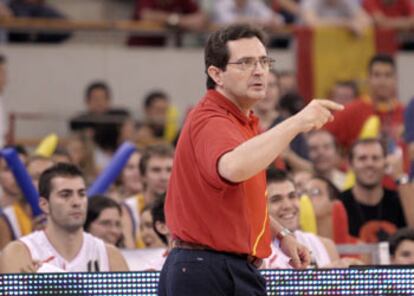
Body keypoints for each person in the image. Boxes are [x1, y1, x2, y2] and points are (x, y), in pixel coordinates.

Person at [159, 24, 342, 296]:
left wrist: (280, 234)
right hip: (207, 269)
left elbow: (240, 201)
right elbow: (232, 168)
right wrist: (298, 122)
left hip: (225, 267)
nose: (259, 71)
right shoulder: (212, 119)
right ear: (216, 74)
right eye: (245, 63)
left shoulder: (244, 121)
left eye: (263, 61)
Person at [0, 163, 128, 273]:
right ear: (44, 205)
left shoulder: (109, 255)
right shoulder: (20, 253)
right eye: (65, 195)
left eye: (81, 194)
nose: (76, 202)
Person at [263, 168, 360, 268]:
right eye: (276, 200)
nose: (288, 205)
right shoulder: (257, 254)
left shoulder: (325, 245)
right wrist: (323, 274)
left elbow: (336, 283)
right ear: (260, 206)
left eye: (292, 196)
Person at [340, 138, 412, 242]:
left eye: (376, 158)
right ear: (351, 165)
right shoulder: (339, 204)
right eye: (362, 158)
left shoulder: (400, 200)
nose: (369, 164)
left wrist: (400, 178)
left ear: (385, 163)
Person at [123, 144, 173, 248]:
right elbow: (129, 253)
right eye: (156, 170)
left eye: (169, 170)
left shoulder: (187, 207)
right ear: (143, 176)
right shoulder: (128, 208)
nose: (163, 177)